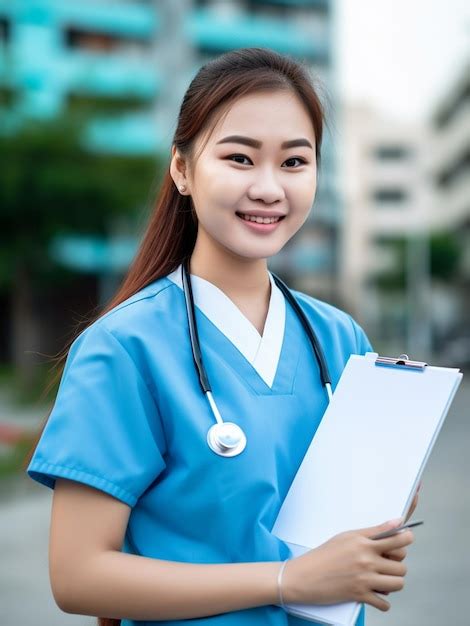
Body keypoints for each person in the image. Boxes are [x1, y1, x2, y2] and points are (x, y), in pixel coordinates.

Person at [24, 47, 418, 626]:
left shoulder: (341, 339)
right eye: (239, 158)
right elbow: (79, 575)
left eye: (293, 162)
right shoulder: (123, 349)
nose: (268, 188)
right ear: (181, 169)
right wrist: (287, 581)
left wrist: (380, 523)